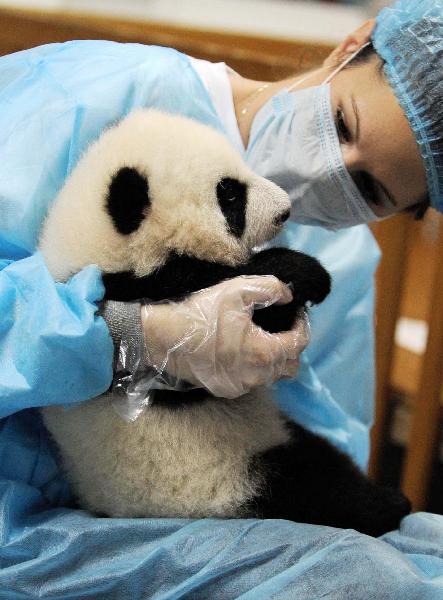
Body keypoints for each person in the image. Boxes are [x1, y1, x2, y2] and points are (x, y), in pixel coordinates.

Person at [1, 1, 442, 597]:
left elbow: (322, 450)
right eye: (342, 124)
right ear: (354, 45)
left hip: (197, 518)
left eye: (368, 187)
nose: (332, 167)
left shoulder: (345, 259)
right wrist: (131, 338)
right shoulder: (95, 100)